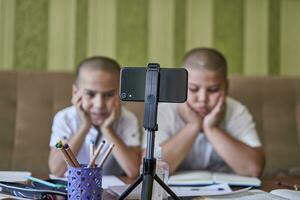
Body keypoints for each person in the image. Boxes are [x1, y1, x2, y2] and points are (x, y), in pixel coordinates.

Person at [143, 48, 265, 177]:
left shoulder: (236, 110)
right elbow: (150, 169)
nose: (202, 99)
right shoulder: (163, 110)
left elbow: (253, 169)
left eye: (213, 89)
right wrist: (193, 127)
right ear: (181, 85)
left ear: (226, 87)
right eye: (193, 89)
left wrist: (211, 128)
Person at [48, 56, 141, 178]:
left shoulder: (128, 119)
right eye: (90, 94)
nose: (99, 104)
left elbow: (133, 171)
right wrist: (84, 127)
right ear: (75, 92)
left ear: (120, 94)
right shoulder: (64, 118)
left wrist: (107, 129)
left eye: (109, 95)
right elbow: (56, 169)